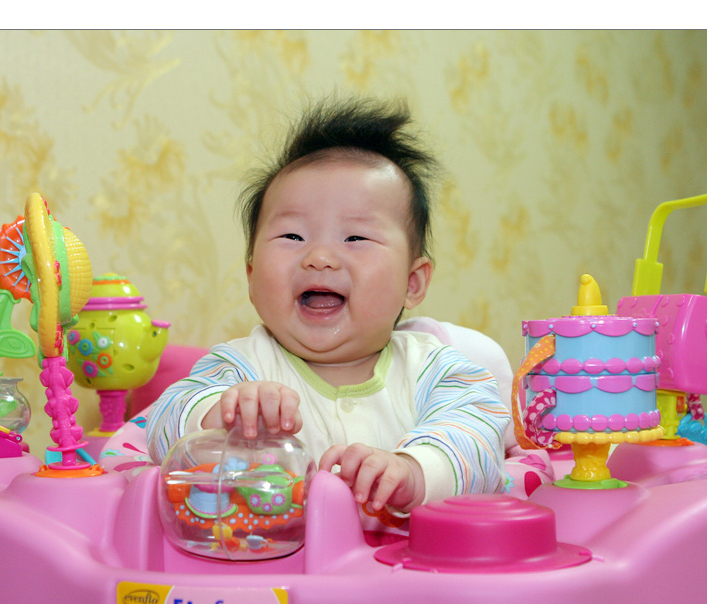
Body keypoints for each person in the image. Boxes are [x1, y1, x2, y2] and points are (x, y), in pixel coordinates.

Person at [146, 97, 511, 522]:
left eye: (355, 238)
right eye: (292, 236)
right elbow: (163, 423)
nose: (319, 257)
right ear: (252, 276)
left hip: (408, 562)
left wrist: (413, 471)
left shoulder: (438, 371)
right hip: (277, 559)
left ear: (412, 283)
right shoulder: (241, 367)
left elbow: (480, 442)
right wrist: (222, 414)